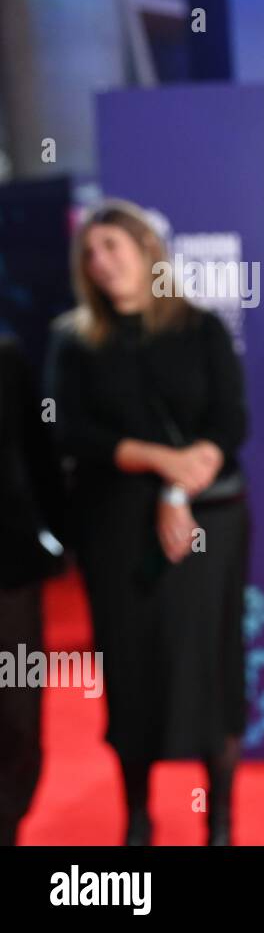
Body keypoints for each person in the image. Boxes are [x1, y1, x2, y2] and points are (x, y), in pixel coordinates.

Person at [47, 200, 250, 846]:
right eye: (90, 252)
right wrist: (160, 459)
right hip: (114, 529)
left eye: (113, 246)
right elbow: (70, 432)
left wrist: (180, 482)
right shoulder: (73, 338)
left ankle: (218, 823)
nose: (101, 261)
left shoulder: (199, 328)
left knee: (209, 667)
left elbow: (230, 421)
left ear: (145, 251)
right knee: (131, 672)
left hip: (207, 525)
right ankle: (137, 820)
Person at [0, 335, 65, 845]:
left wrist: (58, 538)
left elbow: (40, 453)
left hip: (11, 566)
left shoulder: (8, 358)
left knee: (17, 713)